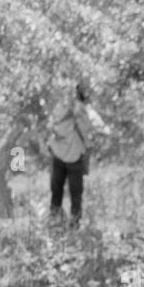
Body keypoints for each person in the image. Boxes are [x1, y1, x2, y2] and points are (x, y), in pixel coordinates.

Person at [47, 80, 104, 224]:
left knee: (56, 191)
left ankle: (55, 220)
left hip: (58, 153)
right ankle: (74, 222)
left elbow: (52, 125)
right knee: (76, 193)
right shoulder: (84, 110)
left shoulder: (62, 106)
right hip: (74, 155)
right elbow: (92, 132)